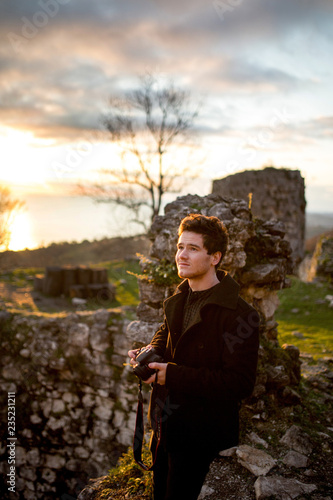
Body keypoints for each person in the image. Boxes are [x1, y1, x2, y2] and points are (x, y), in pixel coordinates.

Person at [128, 214, 260, 500]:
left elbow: (239, 383)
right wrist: (148, 353)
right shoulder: (181, 296)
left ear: (215, 257)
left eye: (192, 249)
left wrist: (170, 374)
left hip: (201, 435)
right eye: (180, 247)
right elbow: (166, 334)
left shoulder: (241, 315)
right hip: (165, 425)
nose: (181, 255)